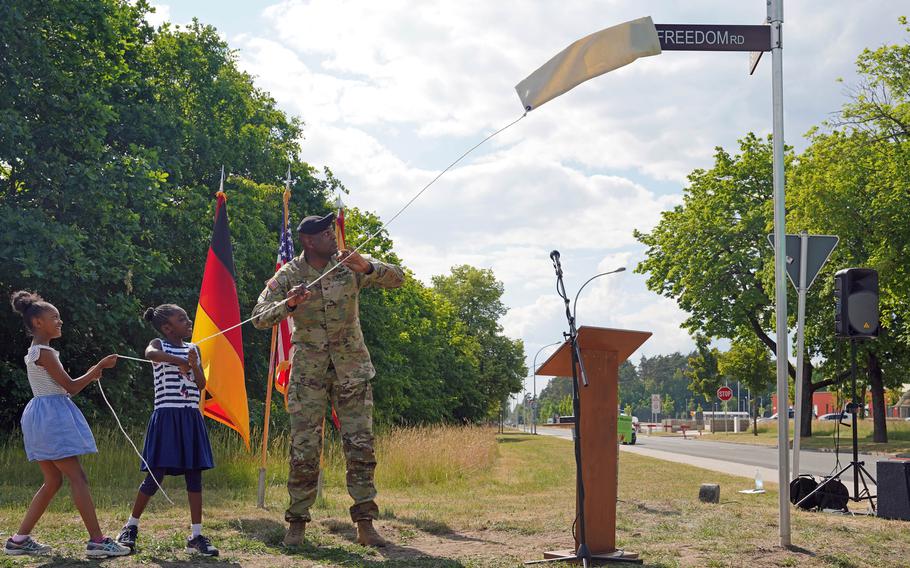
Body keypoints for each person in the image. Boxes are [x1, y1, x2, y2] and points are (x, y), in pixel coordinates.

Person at [252, 212, 404, 548]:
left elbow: (399, 277)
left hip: (352, 370)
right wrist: (288, 304)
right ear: (308, 241)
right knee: (304, 450)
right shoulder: (289, 274)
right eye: (324, 234)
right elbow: (258, 317)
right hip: (309, 374)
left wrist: (368, 268)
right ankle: (297, 524)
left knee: (360, 447)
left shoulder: (348, 263)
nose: (332, 238)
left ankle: (365, 524)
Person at [4, 291, 130, 558]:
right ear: (38, 322)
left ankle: (18, 540)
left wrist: (93, 373)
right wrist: (97, 367)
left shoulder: (38, 351)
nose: (60, 321)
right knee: (77, 477)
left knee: (52, 480)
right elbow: (70, 386)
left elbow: (66, 389)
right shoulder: (45, 352)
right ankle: (97, 540)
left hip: (42, 414)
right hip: (51, 417)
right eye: (55, 317)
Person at [115, 304, 218, 557]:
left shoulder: (194, 348)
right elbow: (151, 354)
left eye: (186, 318)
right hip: (166, 415)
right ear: (167, 327)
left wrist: (193, 364)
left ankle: (196, 535)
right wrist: (182, 361)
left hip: (190, 417)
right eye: (182, 319)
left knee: (194, 475)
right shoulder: (159, 344)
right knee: (155, 474)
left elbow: (201, 384)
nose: (188, 321)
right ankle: (131, 527)